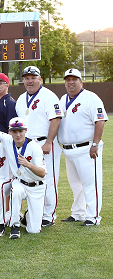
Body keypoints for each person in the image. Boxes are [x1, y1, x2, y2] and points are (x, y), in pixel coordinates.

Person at [58, 68, 107, 226]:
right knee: (75, 184)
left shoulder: (91, 98)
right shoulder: (63, 99)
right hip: (68, 149)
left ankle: (93, 217)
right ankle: (78, 213)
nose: (71, 82)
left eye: (74, 79)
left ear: (81, 81)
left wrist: (95, 144)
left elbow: (100, 121)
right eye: (68, 80)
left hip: (87, 148)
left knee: (90, 183)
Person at [15, 66, 62, 227]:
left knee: (48, 179)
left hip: (44, 142)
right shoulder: (21, 98)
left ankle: (49, 215)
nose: (29, 81)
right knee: (29, 178)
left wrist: (49, 142)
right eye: (27, 78)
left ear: (39, 79)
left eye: (33, 77)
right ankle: (34, 212)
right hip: (27, 144)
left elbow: (55, 119)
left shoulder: (49, 96)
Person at [0, 117, 46, 239]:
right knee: (16, 190)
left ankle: (28, 214)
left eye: (20, 131)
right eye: (14, 131)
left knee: (34, 230)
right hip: (21, 182)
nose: (18, 134)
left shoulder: (35, 147)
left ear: (25, 130)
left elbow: (43, 173)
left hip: (36, 185)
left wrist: (27, 164)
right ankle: (15, 225)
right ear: (10, 132)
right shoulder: (8, 140)